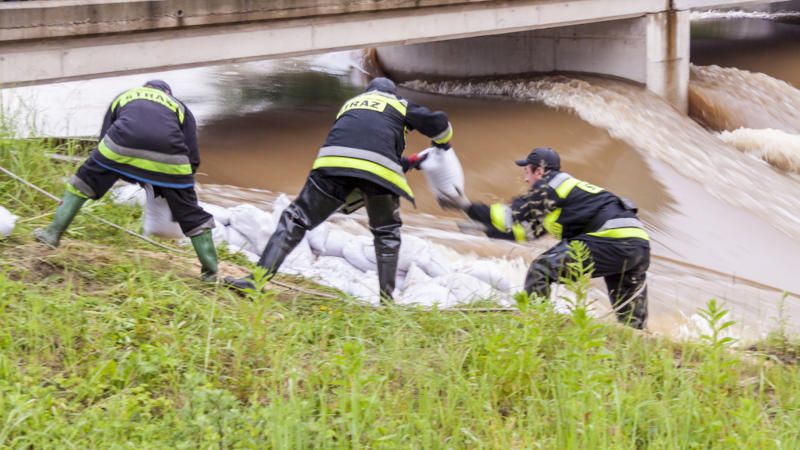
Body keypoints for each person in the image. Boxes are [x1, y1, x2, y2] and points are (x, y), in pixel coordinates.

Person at [225, 77, 454, 301]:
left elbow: (362, 150)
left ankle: (256, 281)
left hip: (333, 166)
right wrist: (442, 144)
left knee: (295, 220)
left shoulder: (350, 105)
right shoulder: (399, 104)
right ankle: (386, 300)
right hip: (378, 174)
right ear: (393, 94)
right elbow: (439, 123)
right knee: (386, 235)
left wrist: (411, 162)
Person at [439, 147, 650, 328]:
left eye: (527, 172)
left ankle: (536, 327)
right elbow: (528, 232)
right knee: (631, 319)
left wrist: (467, 206)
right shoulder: (565, 192)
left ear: (539, 171)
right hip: (637, 244)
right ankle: (641, 346)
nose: (525, 178)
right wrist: (486, 230)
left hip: (611, 239)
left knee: (541, 269)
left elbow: (511, 215)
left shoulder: (549, 185)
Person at [34, 80, 219, 282]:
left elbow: (104, 138)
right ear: (167, 93)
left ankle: (51, 235)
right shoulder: (179, 106)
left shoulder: (125, 96)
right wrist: (178, 186)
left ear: (145, 88)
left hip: (118, 148)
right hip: (172, 160)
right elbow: (192, 155)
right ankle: (210, 273)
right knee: (191, 214)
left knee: (81, 185)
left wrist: (118, 172)